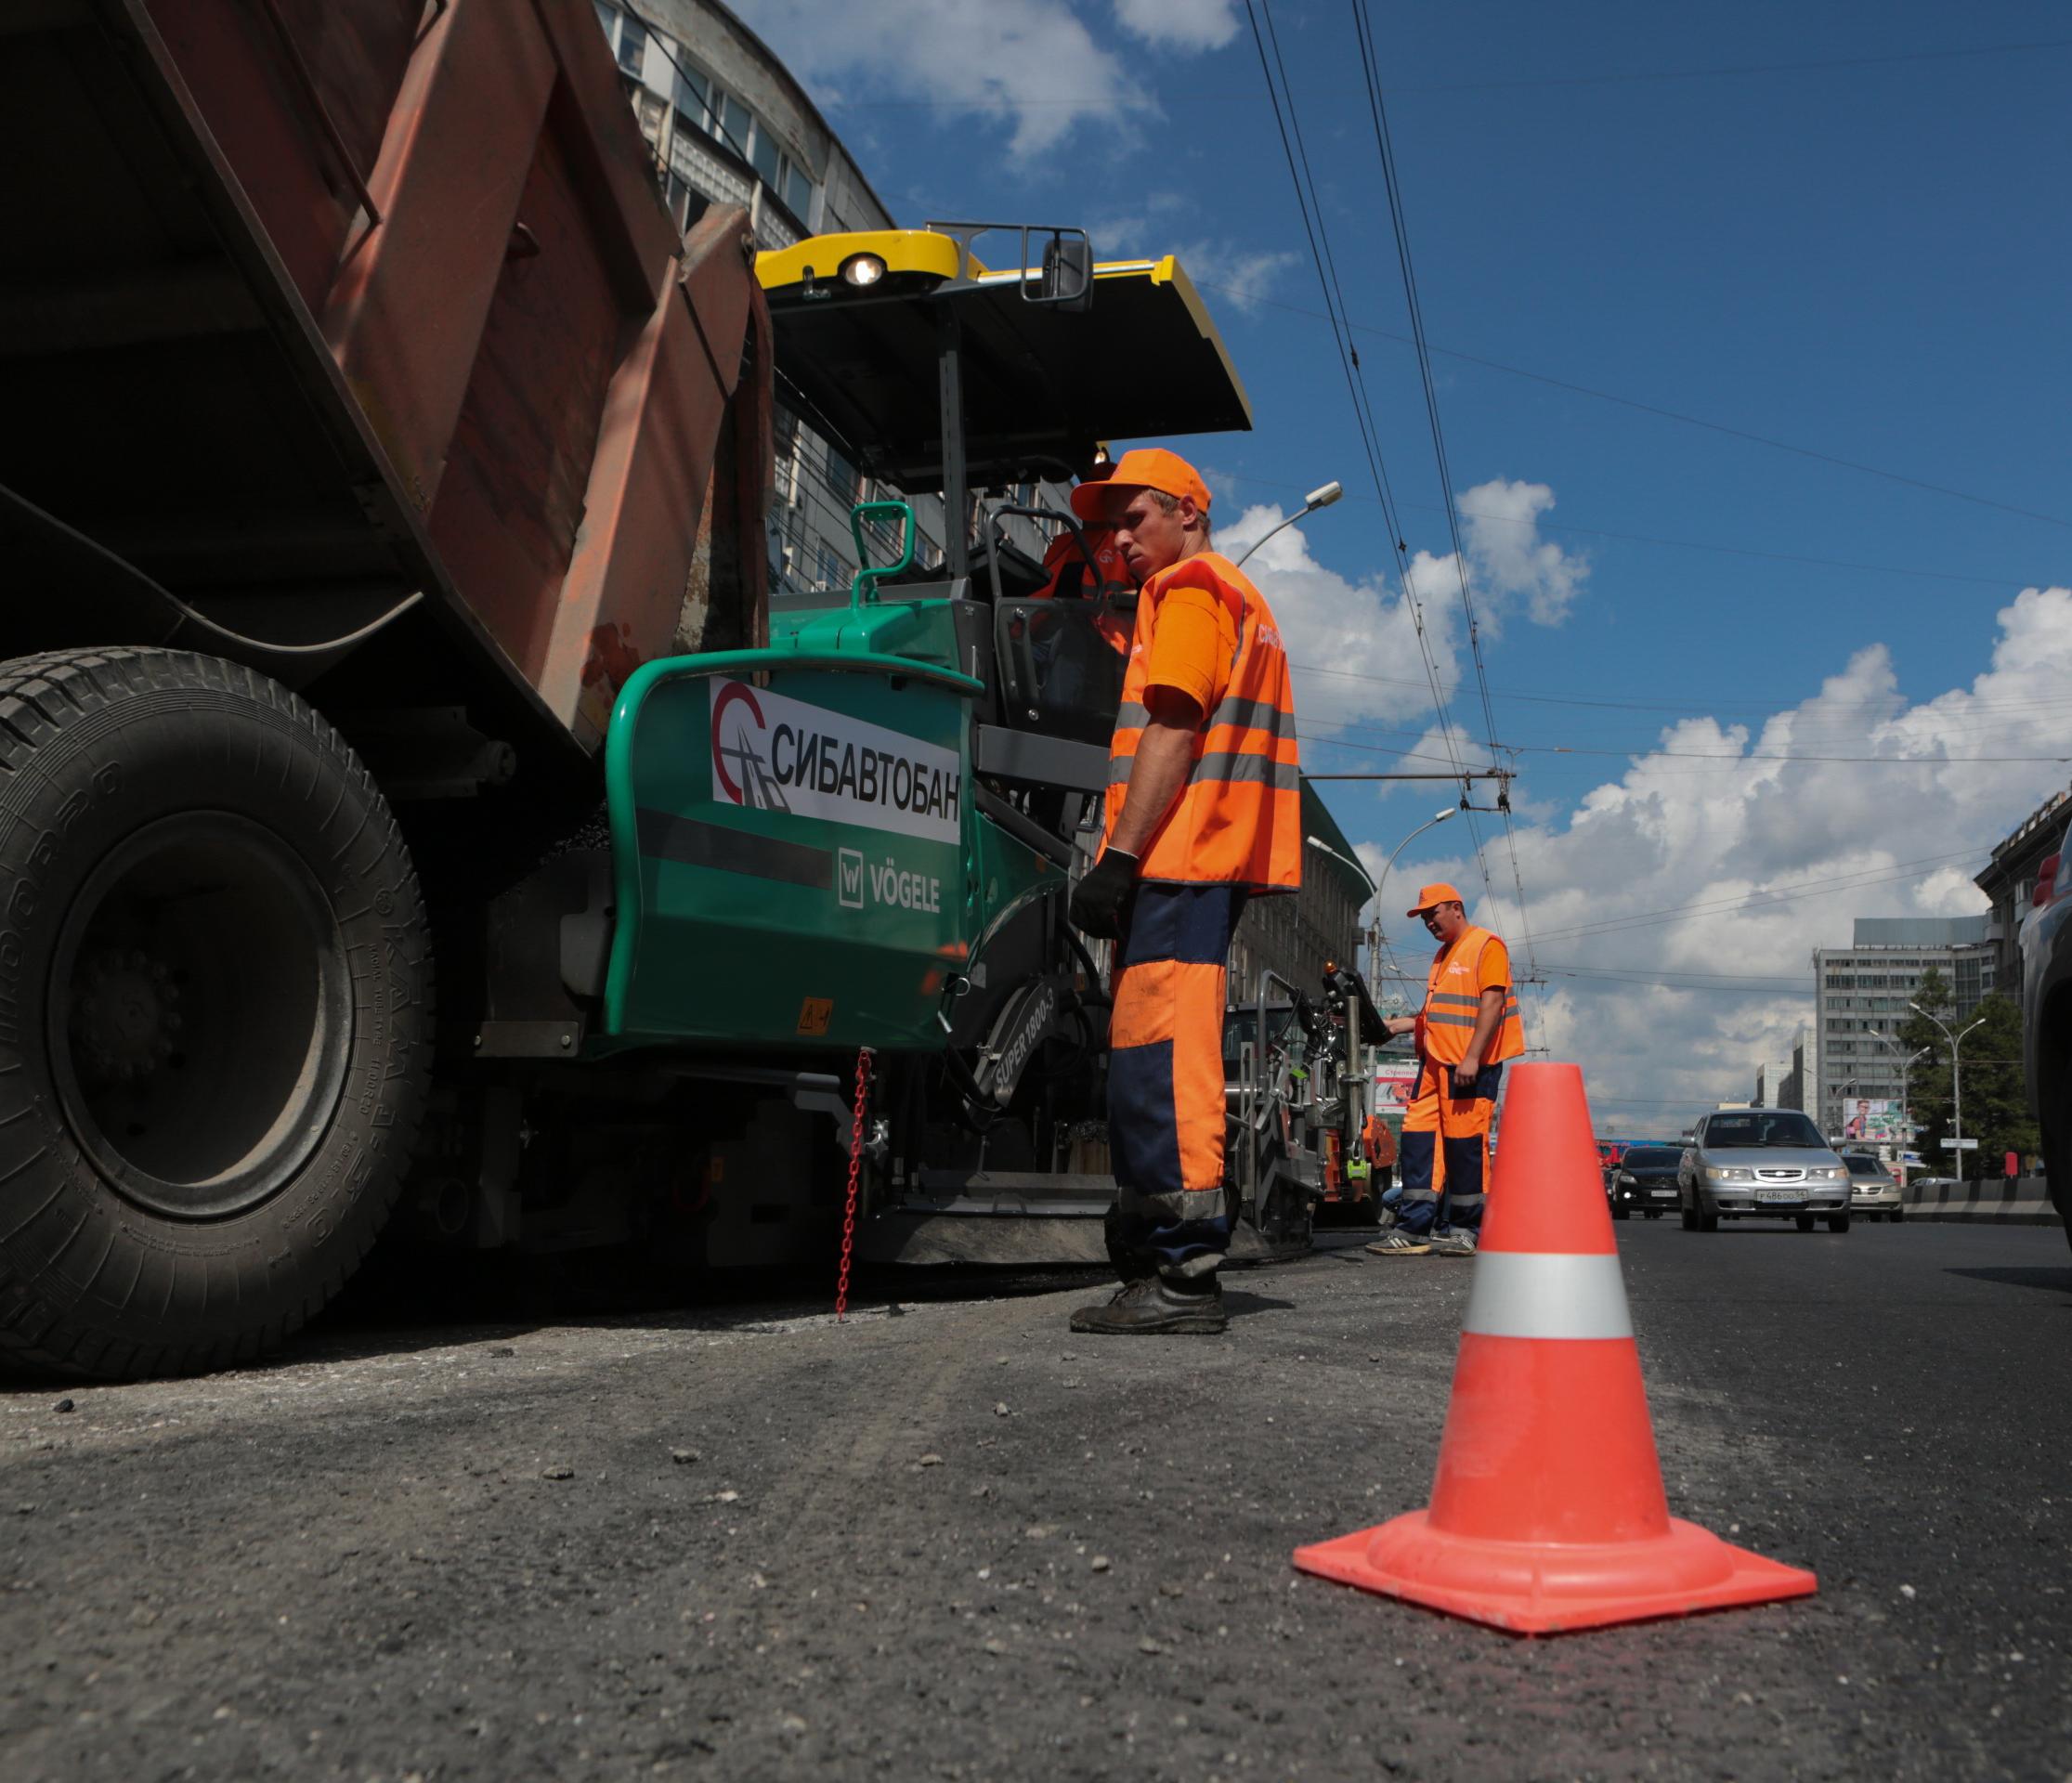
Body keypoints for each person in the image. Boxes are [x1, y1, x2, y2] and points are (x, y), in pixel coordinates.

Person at [1064, 448, 1301, 1334]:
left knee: (1161, 1060)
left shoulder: (1193, 586)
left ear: (1189, 514)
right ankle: (1163, 1261)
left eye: (1136, 518)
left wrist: (1116, 860)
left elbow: (1173, 722)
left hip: (1179, 855)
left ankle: (1179, 1274)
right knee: (1156, 1051)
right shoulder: (1225, 594)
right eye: (1111, 523)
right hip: (1196, 856)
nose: (1120, 537)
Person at [1365, 884, 1523, 1258]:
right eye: (1423, 918)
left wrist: (1472, 1057)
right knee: (1419, 1143)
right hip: (1435, 1064)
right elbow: (1434, 1017)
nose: (1428, 922)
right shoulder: (1443, 955)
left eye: (1432, 914)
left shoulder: (1486, 945)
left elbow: (1493, 1002)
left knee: (1465, 1147)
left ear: (1456, 908)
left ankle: (1466, 1228)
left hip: (1468, 1065)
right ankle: (1413, 1228)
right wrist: (1396, 1026)